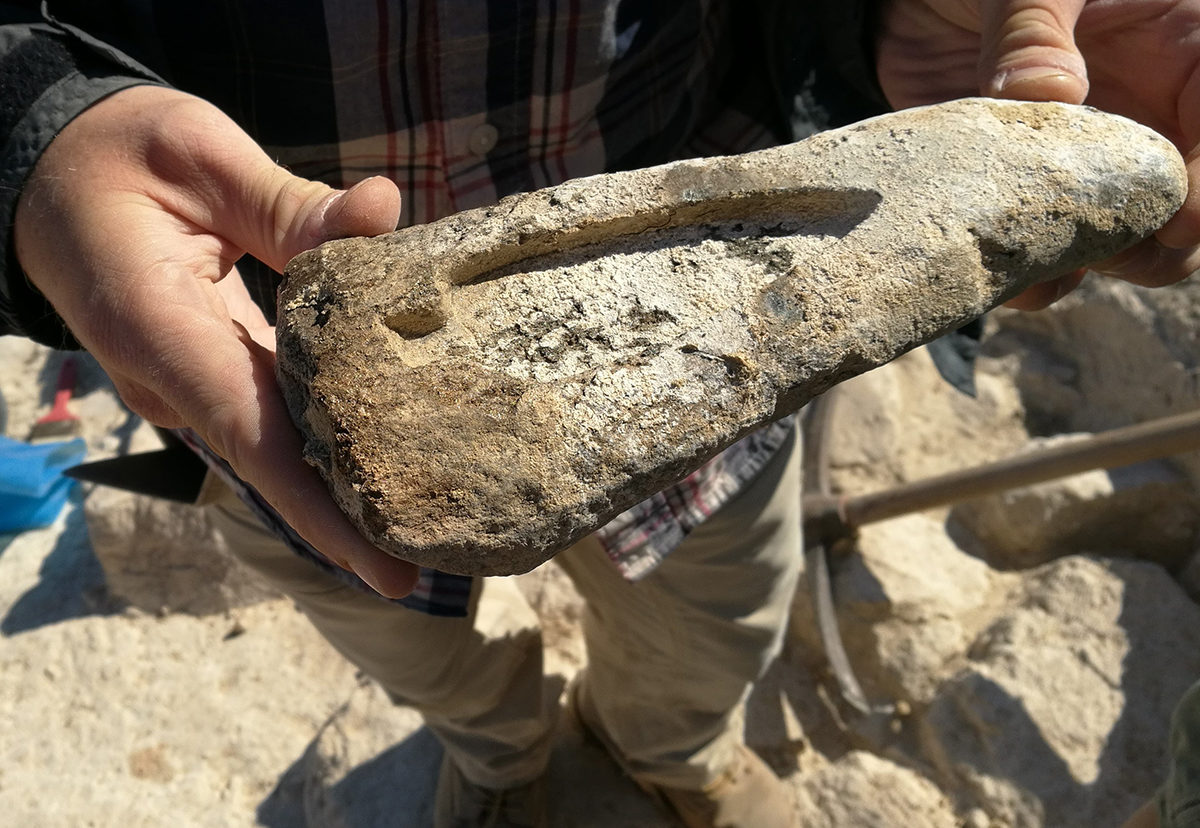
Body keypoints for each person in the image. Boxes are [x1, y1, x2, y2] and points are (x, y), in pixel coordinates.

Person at [2, 1, 1198, 826]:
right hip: (239, 354)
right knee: (401, 629)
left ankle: (670, 751)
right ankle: (503, 756)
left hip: (713, 352)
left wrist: (879, 21)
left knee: (718, 622)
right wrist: (37, 131)